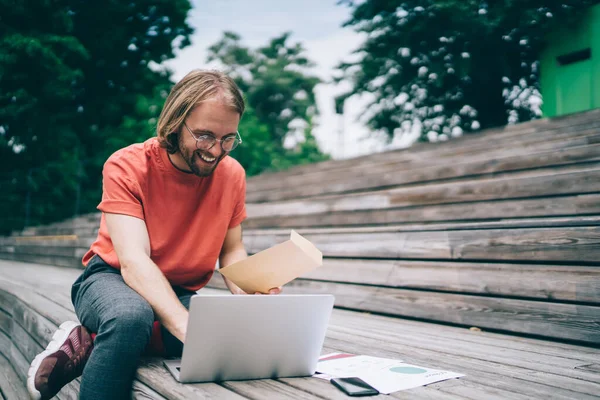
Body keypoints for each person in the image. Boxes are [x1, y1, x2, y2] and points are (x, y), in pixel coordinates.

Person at [26, 70, 281, 400]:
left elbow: (231, 250)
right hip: (112, 279)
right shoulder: (127, 165)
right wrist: (183, 324)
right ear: (176, 122)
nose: (216, 150)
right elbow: (133, 262)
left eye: (228, 138)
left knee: (226, 333)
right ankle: (113, 330)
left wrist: (250, 289)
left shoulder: (233, 175)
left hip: (179, 287)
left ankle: (88, 339)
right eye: (204, 135)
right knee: (132, 318)